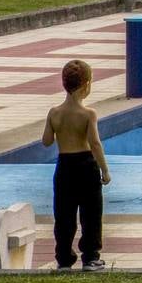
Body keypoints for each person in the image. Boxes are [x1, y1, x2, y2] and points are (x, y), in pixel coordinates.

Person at [41, 59, 110, 271]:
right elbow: (95, 143)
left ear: (64, 83)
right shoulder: (88, 114)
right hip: (86, 165)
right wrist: (105, 170)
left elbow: (46, 141)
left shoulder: (54, 112)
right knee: (91, 214)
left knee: (64, 215)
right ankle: (90, 256)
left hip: (64, 166)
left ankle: (63, 257)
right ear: (87, 84)